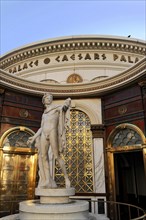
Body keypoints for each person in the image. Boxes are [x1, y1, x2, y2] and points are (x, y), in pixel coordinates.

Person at [27, 93, 71, 189]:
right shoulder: (44, 114)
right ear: (44, 100)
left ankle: (66, 178)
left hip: (52, 132)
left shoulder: (56, 108)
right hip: (44, 134)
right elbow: (41, 127)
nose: (49, 99)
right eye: (47, 98)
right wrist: (34, 137)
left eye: (50, 98)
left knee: (57, 156)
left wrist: (67, 104)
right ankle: (47, 180)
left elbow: (63, 109)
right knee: (43, 156)